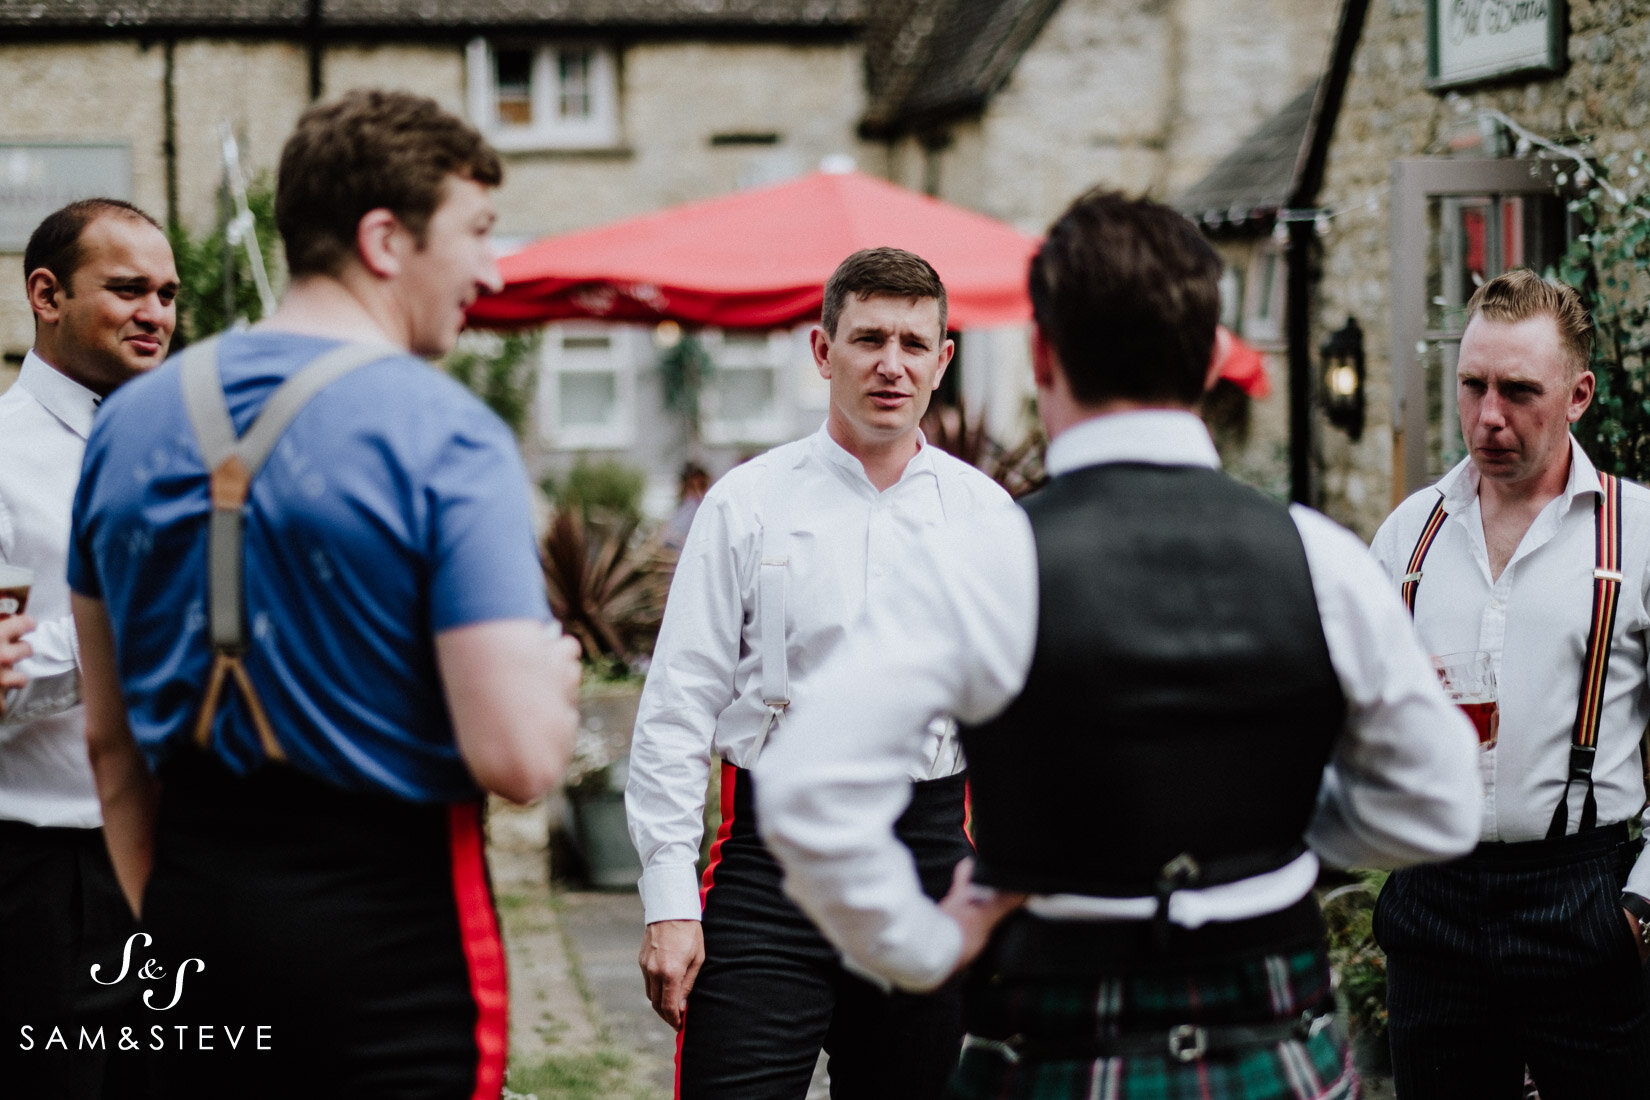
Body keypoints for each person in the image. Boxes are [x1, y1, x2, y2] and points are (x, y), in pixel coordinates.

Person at [753, 190, 1484, 1099]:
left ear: (1042, 355)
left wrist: (924, 946)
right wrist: (1293, 832)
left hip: (1056, 1037)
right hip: (1276, 1038)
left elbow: (805, 787)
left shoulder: (985, 563)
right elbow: (1447, 803)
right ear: (1213, 358)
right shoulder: (1321, 559)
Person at [68, 89, 582, 1096]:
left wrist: (173, 923)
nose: (492, 266)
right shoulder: (446, 431)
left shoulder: (123, 427)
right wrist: (555, 677)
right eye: (476, 231)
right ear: (385, 238)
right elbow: (519, 758)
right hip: (390, 944)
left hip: (190, 915)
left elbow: (108, 742)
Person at [626, 246, 1012, 1098]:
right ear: (821, 350)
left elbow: (1025, 716)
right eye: (869, 338)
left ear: (943, 360)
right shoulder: (746, 503)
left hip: (928, 852)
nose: (891, 364)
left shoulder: (988, 516)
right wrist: (668, 898)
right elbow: (677, 706)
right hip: (772, 863)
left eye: (915, 344)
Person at [1368, 268, 1650, 1098]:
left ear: (1578, 395)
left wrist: (1639, 908)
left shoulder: (1636, 537)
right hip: (1434, 903)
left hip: (1584, 902)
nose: (1489, 417)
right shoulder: (1408, 535)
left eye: (1520, 391)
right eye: (1473, 385)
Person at [0, 197, 177, 1098]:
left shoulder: (189, 452)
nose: (157, 312)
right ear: (47, 293)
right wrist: (134, 631)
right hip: (49, 876)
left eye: (169, 293)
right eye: (128, 289)